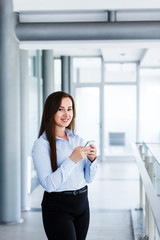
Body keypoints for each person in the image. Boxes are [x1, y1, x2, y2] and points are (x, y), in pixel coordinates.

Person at [32, 91, 98, 240]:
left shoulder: (77, 139)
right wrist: (72, 160)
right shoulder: (41, 145)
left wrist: (92, 161)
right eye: (61, 109)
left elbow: (88, 178)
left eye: (69, 109)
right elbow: (49, 185)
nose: (66, 114)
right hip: (57, 208)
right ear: (51, 111)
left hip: (82, 203)